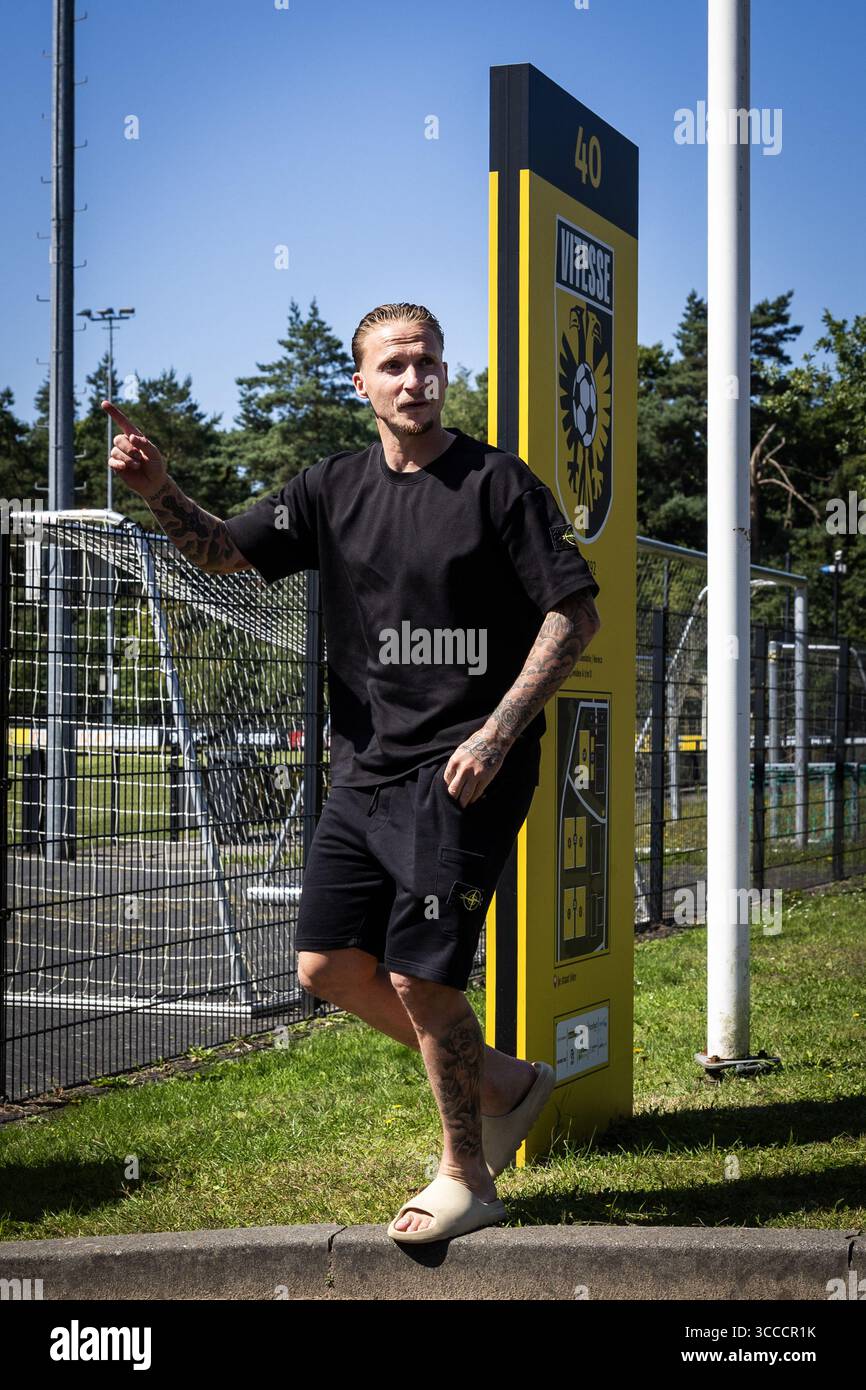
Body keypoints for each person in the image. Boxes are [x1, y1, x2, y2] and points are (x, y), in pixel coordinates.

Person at [101, 300, 601, 1244]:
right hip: (364, 766)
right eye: (396, 366)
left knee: (419, 977)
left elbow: (573, 615)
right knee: (328, 966)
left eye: (429, 362)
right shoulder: (329, 488)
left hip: (468, 769)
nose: (417, 380)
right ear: (361, 383)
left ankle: (467, 1177)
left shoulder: (499, 484)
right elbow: (222, 553)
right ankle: (504, 1082)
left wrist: (496, 734)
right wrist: (163, 487)